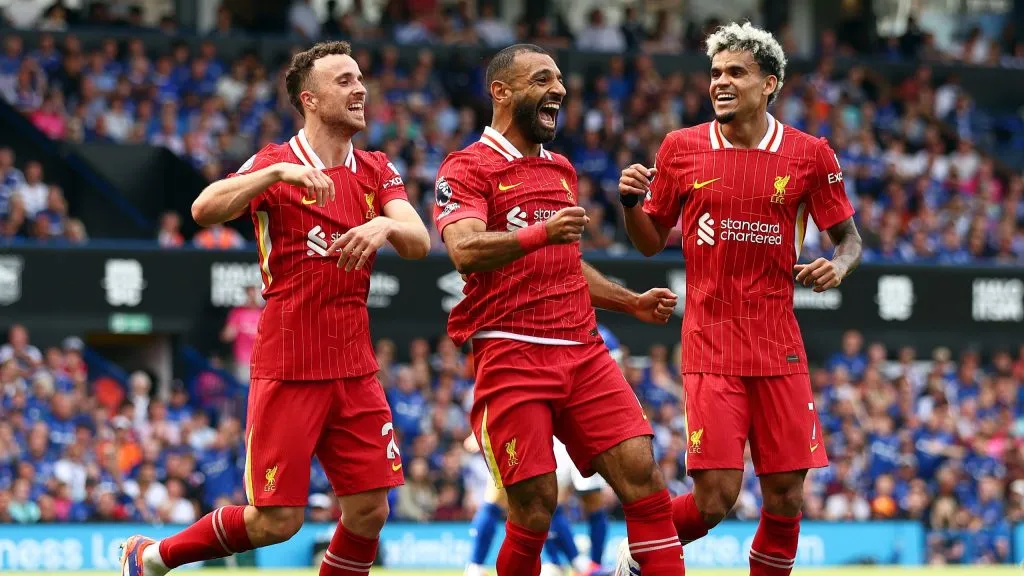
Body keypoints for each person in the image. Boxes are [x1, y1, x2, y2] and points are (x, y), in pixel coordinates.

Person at [120, 41, 430, 576]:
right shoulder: (276, 161)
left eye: (360, 78)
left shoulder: (377, 169)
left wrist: (384, 224)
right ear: (309, 99)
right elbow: (203, 208)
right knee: (276, 520)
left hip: (355, 365)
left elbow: (420, 241)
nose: (360, 89)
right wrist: (272, 177)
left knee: (369, 509)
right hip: (290, 362)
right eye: (345, 81)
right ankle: (151, 556)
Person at [614, 22, 863, 576]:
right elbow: (651, 242)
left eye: (736, 72)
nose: (720, 83)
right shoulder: (681, 149)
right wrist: (631, 202)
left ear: (769, 83)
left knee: (785, 498)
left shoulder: (809, 154)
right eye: (715, 73)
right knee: (715, 499)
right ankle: (639, 551)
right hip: (711, 342)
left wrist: (839, 266)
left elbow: (849, 238)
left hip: (779, 345)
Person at [433, 43, 683, 576]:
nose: (560, 90)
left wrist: (630, 302)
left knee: (644, 476)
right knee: (534, 506)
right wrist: (541, 232)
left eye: (560, 81)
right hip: (510, 349)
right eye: (543, 80)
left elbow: (568, 265)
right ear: (501, 91)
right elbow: (465, 248)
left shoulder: (563, 169)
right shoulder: (466, 166)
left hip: (583, 350)